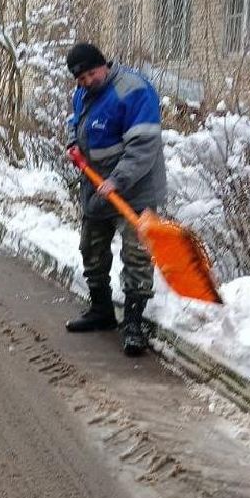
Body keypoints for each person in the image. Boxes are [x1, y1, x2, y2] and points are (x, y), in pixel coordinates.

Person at [64, 42, 166, 356]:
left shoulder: (134, 90)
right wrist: (73, 144)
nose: (86, 82)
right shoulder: (83, 93)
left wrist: (117, 180)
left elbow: (144, 147)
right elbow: (76, 122)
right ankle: (102, 311)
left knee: (136, 255)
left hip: (135, 190)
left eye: (90, 75)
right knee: (90, 248)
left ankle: (133, 324)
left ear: (103, 65)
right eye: (80, 79)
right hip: (97, 188)